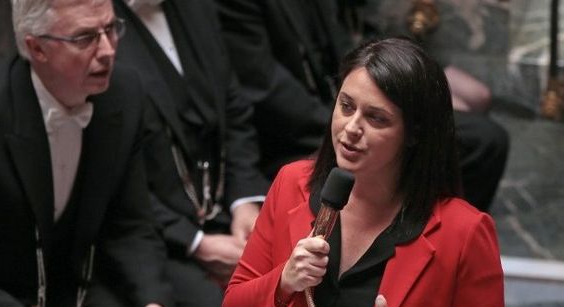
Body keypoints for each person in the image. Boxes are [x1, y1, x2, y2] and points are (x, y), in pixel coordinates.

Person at [222, 38, 509, 307]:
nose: (351, 128)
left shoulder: (463, 230)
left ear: (414, 134)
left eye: (376, 118)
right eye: (345, 106)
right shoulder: (292, 185)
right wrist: (283, 282)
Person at [0, 0, 180, 307]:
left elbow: (132, 222)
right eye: (85, 37)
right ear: (37, 48)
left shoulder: (125, 92)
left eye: (111, 29)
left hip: (71, 285)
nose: (109, 49)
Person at [112, 0, 270, 307]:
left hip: (222, 207)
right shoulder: (101, 30)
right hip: (153, 231)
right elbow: (116, 179)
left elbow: (233, 112)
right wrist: (196, 243)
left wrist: (244, 204)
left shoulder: (197, 9)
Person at [214, 0, 509, 212]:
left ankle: (434, 245)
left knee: (477, 131)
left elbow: (346, 47)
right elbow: (267, 89)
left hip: (344, 102)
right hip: (295, 135)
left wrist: (396, 96)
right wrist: (350, 119)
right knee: (479, 141)